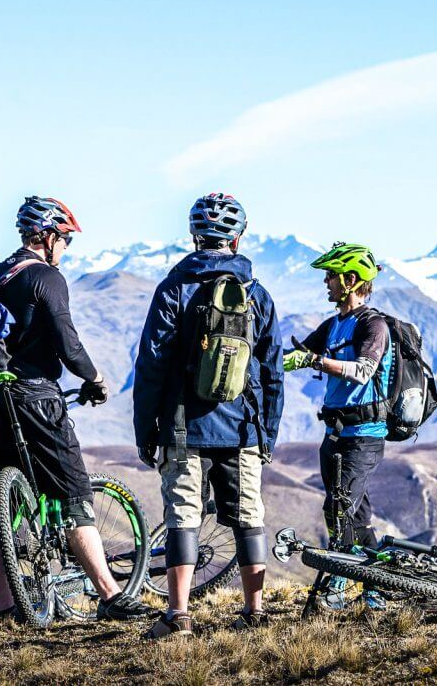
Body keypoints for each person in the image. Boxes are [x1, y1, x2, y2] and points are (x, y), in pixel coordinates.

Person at [0, 196, 152, 622]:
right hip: (37, 397)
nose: (67, 249)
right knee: (74, 492)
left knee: (8, 502)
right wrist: (94, 379)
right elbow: (67, 341)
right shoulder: (46, 278)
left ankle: (1, 607)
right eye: (66, 240)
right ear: (49, 236)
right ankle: (110, 594)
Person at [133, 192, 284, 638]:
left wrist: (146, 431)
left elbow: (151, 365)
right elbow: (273, 370)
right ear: (237, 239)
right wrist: (267, 432)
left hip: (184, 428)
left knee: (183, 516)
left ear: (195, 236)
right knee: (250, 516)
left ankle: (178, 615)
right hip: (243, 429)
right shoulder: (257, 294)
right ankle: (254, 612)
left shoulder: (173, 290)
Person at [283, 242, 391, 610]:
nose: (326, 282)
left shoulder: (373, 325)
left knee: (339, 509)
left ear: (350, 280)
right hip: (334, 433)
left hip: (364, 436)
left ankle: (336, 590)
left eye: (331, 276)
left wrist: (319, 361)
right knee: (356, 515)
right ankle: (379, 586)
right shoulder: (332, 325)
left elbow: (364, 371)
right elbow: (294, 359)